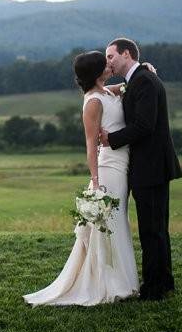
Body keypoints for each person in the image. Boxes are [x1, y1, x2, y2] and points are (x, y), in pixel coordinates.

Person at [23, 50, 139, 306]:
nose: (110, 64)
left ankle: (121, 280)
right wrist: (95, 181)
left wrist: (143, 71)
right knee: (110, 224)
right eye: (105, 62)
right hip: (109, 168)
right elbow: (90, 144)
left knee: (119, 222)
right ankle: (109, 284)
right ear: (98, 71)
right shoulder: (93, 102)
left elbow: (123, 86)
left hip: (122, 164)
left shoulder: (107, 91)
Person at [99, 38, 182, 301]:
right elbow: (124, 92)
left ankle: (156, 288)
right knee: (155, 228)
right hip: (150, 166)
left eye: (111, 56)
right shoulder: (139, 79)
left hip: (152, 167)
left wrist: (110, 140)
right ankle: (162, 283)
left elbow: (144, 126)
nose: (108, 61)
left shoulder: (144, 80)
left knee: (153, 230)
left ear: (127, 54)